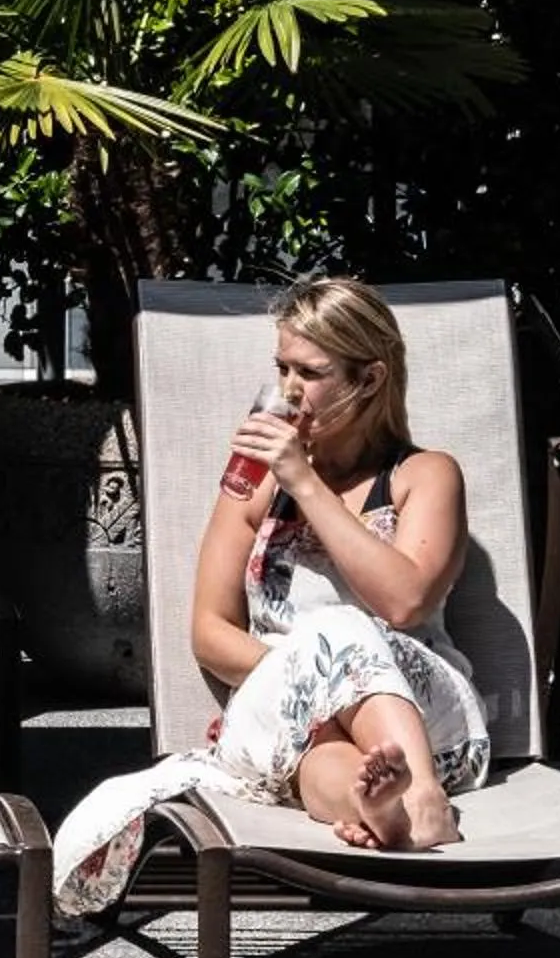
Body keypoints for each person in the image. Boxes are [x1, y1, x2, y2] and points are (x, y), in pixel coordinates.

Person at [53, 274, 490, 918]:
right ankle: (389, 811)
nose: (288, 389)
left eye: (310, 373)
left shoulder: (423, 476)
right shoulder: (253, 483)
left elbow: (407, 604)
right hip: (294, 726)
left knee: (339, 629)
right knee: (320, 763)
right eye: (280, 366)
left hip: (430, 723)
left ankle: (419, 793)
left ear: (369, 380)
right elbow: (208, 630)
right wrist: (309, 683)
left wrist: (305, 484)